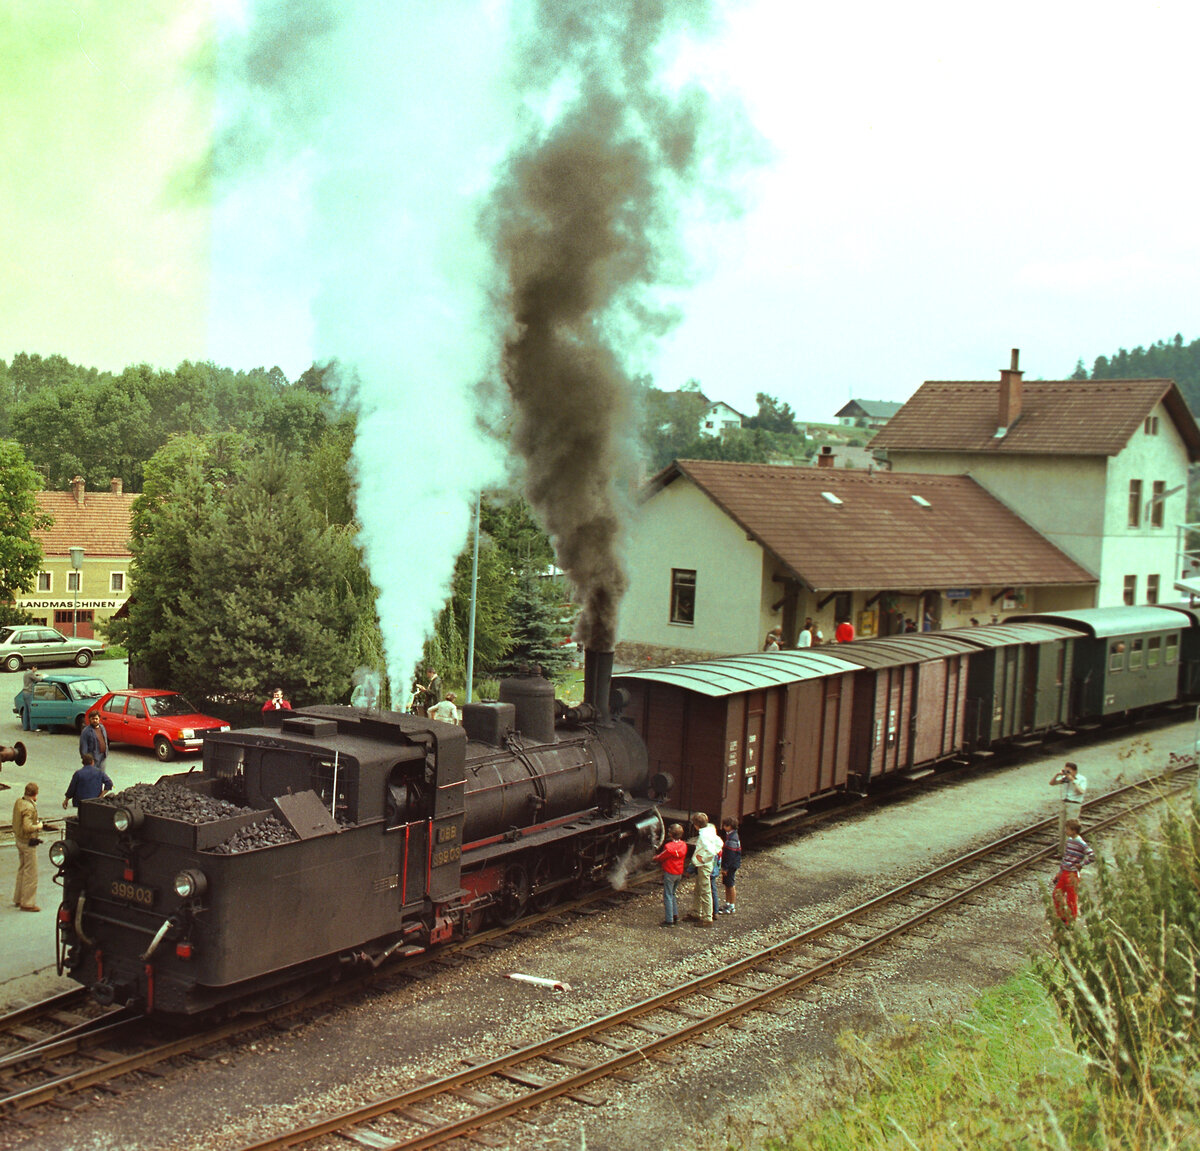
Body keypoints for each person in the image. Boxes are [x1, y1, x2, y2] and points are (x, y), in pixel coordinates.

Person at [1052, 819, 1096, 923]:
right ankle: (1062, 917)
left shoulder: (1081, 843)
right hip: (1065, 872)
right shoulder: (1069, 841)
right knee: (1056, 894)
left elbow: (1092, 856)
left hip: (1072, 874)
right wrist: (1059, 872)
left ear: (1074, 831)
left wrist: (1081, 865)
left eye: (1067, 829)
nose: (1065, 831)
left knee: (1071, 899)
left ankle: (1071, 921)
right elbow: (1066, 857)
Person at [686, 813, 722, 926]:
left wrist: (703, 859)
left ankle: (707, 918)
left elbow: (711, 851)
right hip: (705, 864)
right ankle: (696, 912)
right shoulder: (710, 829)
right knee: (698, 888)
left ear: (696, 825)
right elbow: (720, 843)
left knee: (705, 891)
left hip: (704, 865)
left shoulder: (703, 836)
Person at [13, 782, 43, 912]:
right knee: (31, 873)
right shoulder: (29, 808)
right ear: (35, 794)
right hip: (27, 843)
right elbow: (27, 827)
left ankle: (18, 898)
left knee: (22, 869)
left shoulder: (19, 802)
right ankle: (28, 903)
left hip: (19, 840)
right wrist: (38, 826)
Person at [652, 823, 687, 926]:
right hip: (679, 873)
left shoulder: (669, 847)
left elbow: (661, 857)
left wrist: (654, 858)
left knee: (667, 895)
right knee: (673, 894)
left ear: (670, 834)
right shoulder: (684, 845)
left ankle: (669, 920)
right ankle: (675, 915)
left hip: (670, 873)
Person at [1049, 762, 1087, 854]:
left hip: (1074, 804)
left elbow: (1081, 791)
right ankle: (1061, 852)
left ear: (1074, 771)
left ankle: (1071, 851)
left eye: (1069, 771)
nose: (1067, 773)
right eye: (1065, 770)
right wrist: (1057, 775)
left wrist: (1073, 780)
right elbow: (1052, 783)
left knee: (1071, 829)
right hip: (1064, 803)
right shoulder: (1064, 778)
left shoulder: (1081, 779)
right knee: (1062, 829)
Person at [718, 817, 742, 914]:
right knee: (727, 884)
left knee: (730, 884)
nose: (723, 827)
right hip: (731, 864)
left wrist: (725, 867)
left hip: (731, 865)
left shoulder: (732, 838)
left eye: (725, 825)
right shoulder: (732, 836)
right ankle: (728, 903)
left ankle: (731, 905)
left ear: (730, 826)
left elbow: (730, 855)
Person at [20, 665, 42, 730]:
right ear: (33, 667)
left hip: (24, 693)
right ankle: (34, 727)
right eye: (36, 668)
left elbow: (33, 675)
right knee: (32, 710)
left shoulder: (26, 672)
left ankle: (25, 727)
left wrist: (37, 674)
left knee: (26, 711)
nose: (36, 670)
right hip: (29, 693)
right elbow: (38, 679)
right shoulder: (30, 673)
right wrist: (42, 676)